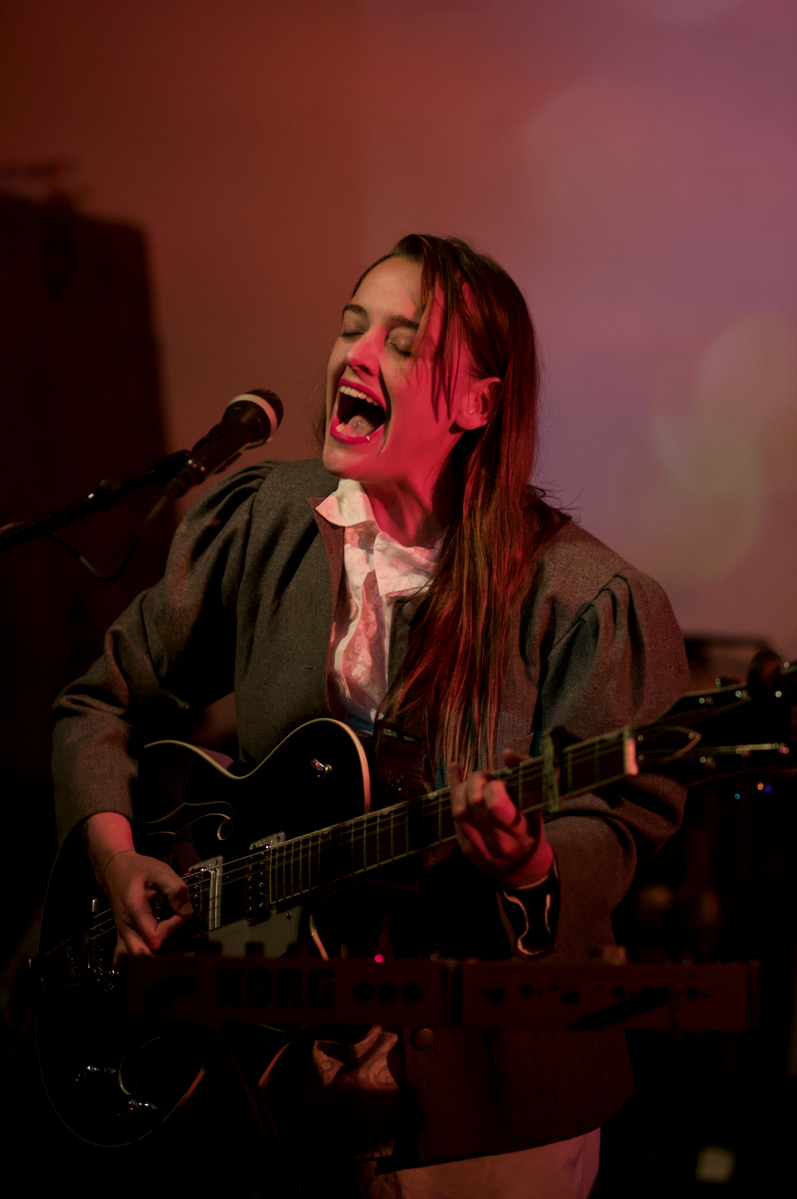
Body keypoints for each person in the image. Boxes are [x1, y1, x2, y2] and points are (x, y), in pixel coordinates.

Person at [52, 234, 689, 1197]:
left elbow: (618, 820)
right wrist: (111, 849)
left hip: (495, 1112)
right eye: (351, 328)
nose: (355, 355)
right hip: (276, 1094)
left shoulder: (582, 597)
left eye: (401, 342)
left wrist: (531, 863)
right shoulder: (266, 520)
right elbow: (97, 702)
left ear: (478, 402)